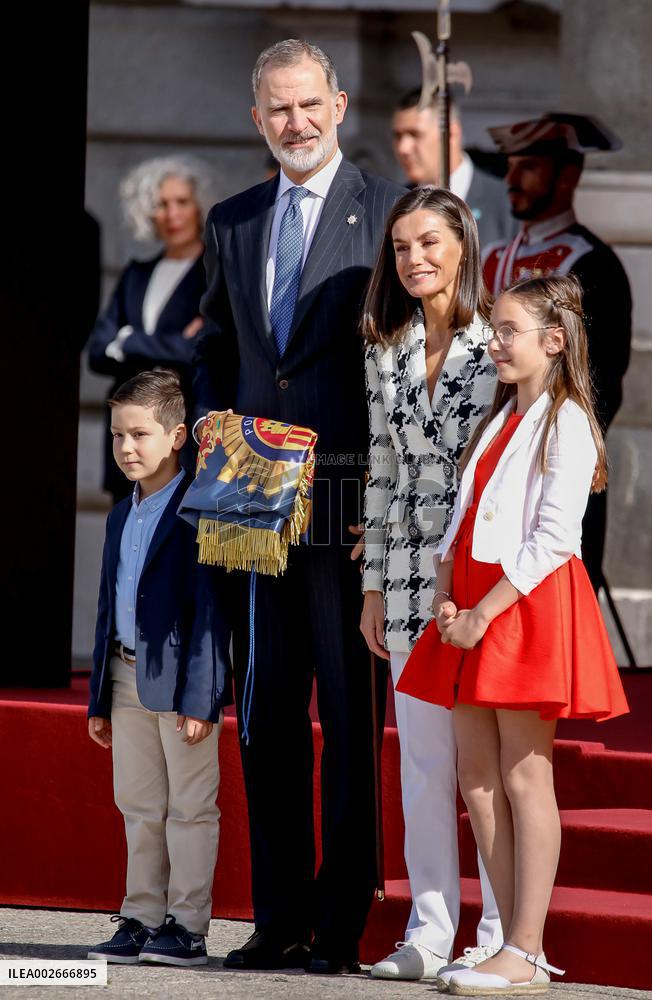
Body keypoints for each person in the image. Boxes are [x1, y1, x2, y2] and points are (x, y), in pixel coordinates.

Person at [191, 39, 405, 974]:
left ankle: (340, 924)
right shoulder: (232, 219)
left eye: (310, 104)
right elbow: (215, 345)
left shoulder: (390, 214)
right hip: (247, 497)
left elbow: (410, 366)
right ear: (257, 119)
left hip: (348, 502)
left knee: (350, 721)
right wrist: (204, 419)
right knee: (267, 713)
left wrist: (395, 508)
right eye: (278, 109)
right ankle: (275, 917)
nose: (296, 122)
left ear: (340, 104)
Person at [397, 274, 629, 995]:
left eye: (506, 332)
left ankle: (526, 950)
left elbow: (555, 538)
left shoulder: (565, 420)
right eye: (492, 330)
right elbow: (465, 517)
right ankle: (501, 939)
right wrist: (442, 593)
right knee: (475, 779)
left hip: (517, 605)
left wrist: (479, 613)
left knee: (524, 776)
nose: (492, 343)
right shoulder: (499, 418)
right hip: (468, 603)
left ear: (552, 342)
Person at [360, 186, 502, 983]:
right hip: (409, 584)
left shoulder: (499, 343)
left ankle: (499, 934)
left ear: (461, 245)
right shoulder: (384, 347)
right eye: (401, 246)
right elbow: (380, 470)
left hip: (476, 582)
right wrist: (374, 588)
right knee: (421, 765)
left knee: (482, 767)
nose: (414, 259)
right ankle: (429, 932)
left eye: (428, 243)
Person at [86, 370, 230, 968]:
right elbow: (106, 606)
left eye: (139, 435)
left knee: (190, 806)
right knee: (139, 804)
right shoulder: (121, 515)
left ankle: (188, 928)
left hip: (178, 684)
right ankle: (141, 916)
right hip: (125, 677)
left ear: (176, 436)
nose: (125, 448)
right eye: (118, 435)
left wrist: (202, 696)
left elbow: (210, 614)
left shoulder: (201, 509)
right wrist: (98, 696)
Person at [482, 112, 633, 591]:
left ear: (567, 176)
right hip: (487, 446)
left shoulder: (594, 265)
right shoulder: (491, 257)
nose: (511, 179)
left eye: (528, 167)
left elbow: (601, 383)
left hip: (550, 454)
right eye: (510, 166)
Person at [88, 155, 218, 502]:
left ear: (198, 206)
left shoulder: (213, 275)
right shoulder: (136, 274)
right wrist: (168, 344)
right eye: (161, 204)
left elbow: (198, 350)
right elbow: (98, 352)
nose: (172, 214)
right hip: (125, 436)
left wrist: (128, 340)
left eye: (182, 202)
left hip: (179, 432)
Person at [392, 89, 516, 251]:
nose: (403, 148)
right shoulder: (394, 203)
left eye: (415, 134)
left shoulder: (507, 202)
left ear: (451, 133)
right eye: (398, 136)